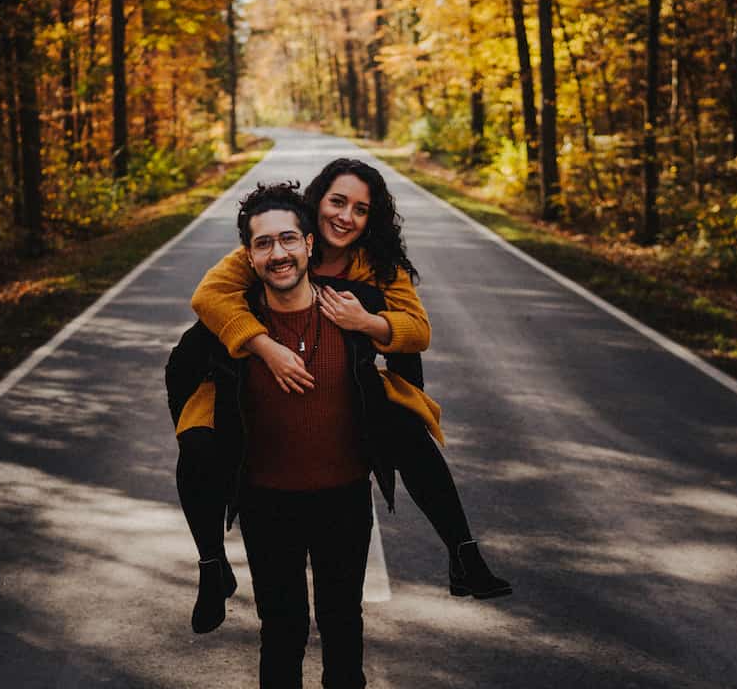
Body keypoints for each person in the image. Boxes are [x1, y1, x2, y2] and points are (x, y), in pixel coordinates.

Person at [174, 157, 509, 636]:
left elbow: (417, 330)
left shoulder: (375, 265)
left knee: (410, 432)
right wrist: (265, 347)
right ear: (317, 203)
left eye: (361, 209)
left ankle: (462, 551)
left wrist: (366, 322)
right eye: (337, 201)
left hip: (345, 385)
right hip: (235, 373)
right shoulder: (279, 244)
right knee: (198, 445)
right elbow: (208, 298)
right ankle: (212, 566)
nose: (346, 216)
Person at [166, 182, 403, 689]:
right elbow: (181, 389)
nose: (277, 252)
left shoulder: (351, 311)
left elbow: (407, 361)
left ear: (309, 243)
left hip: (345, 498)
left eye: (288, 238)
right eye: (263, 242)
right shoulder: (229, 330)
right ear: (249, 254)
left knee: (342, 620)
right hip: (269, 504)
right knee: (282, 636)